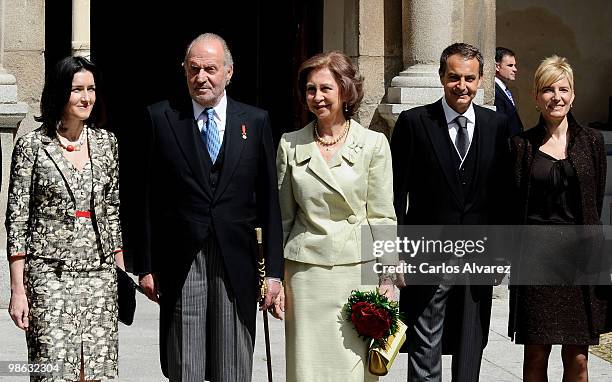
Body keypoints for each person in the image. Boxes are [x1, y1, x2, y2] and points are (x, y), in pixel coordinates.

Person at [127, 33, 283, 382]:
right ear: (184, 71)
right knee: (186, 363)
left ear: (229, 72)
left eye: (210, 69)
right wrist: (146, 265)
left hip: (237, 258)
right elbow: (145, 198)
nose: (202, 77)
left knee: (233, 363)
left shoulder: (255, 122)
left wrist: (273, 272)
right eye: (193, 69)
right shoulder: (160, 118)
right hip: (181, 259)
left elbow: (269, 203)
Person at [391, 43, 510, 382]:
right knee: (425, 341)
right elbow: (396, 196)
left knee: (472, 342)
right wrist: (395, 254)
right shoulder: (414, 123)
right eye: (454, 77)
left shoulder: (496, 125)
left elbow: (503, 196)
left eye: (469, 79)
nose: (462, 86)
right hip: (426, 253)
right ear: (441, 77)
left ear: (481, 80)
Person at [276, 51, 397, 381]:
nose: (317, 97)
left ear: (346, 90)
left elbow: (382, 216)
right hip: (306, 276)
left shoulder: (374, 144)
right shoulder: (290, 144)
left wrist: (387, 276)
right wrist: (273, 278)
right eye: (311, 89)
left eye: (326, 88)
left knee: (352, 370)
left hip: (356, 274)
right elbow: (284, 219)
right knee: (307, 369)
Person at [6, 56, 123, 382]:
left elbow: (112, 209)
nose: (87, 98)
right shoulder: (32, 146)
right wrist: (18, 288)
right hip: (49, 275)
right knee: (54, 370)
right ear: (60, 93)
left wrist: (121, 270)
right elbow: (17, 219)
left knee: (95, 370)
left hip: (99, 276)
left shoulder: (106, 143)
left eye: (91, 89)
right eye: (77, 90)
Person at [508, 55, 609, 382]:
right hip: (535, 260)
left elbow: (594, 202)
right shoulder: (521, 145)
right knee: (536, 353)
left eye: (563, 89)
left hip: (579, 260)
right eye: (548, 89)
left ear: (573, 95)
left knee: (578, 357)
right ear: (536, 97)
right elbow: (514, 206)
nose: (556, 97)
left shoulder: (592, 142)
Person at [495, 47, 524, 136]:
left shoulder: (503, 89)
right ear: (497, 67)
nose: (515, 69)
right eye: (510, 65)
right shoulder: (494, 92)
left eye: (514, 65)